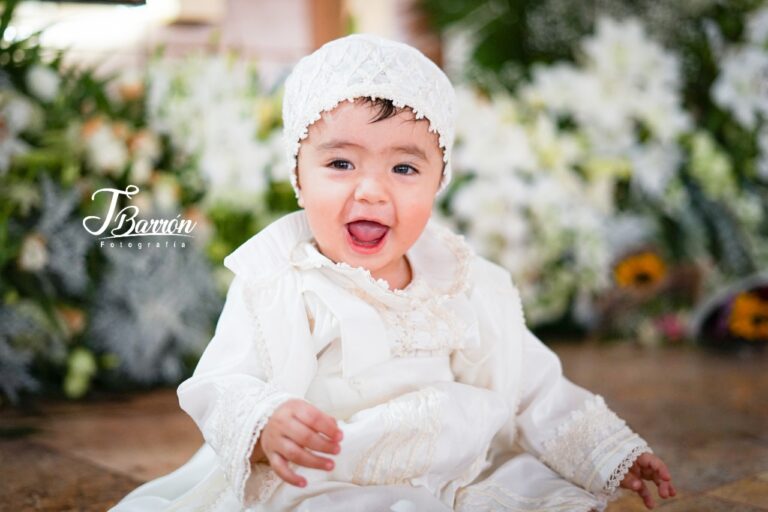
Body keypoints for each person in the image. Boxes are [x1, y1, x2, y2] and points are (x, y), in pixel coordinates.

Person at [110, 33, 676, 512]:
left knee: (534, 493)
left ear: (438, 182)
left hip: (458, 472)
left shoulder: (461, 280)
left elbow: (532, 386)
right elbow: (224, 380)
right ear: (299, 178)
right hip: (330, 478)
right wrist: (263, 424)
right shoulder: (282, 279)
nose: (372, 190)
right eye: (340, 163)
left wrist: (610, 452)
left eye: (404, 167)